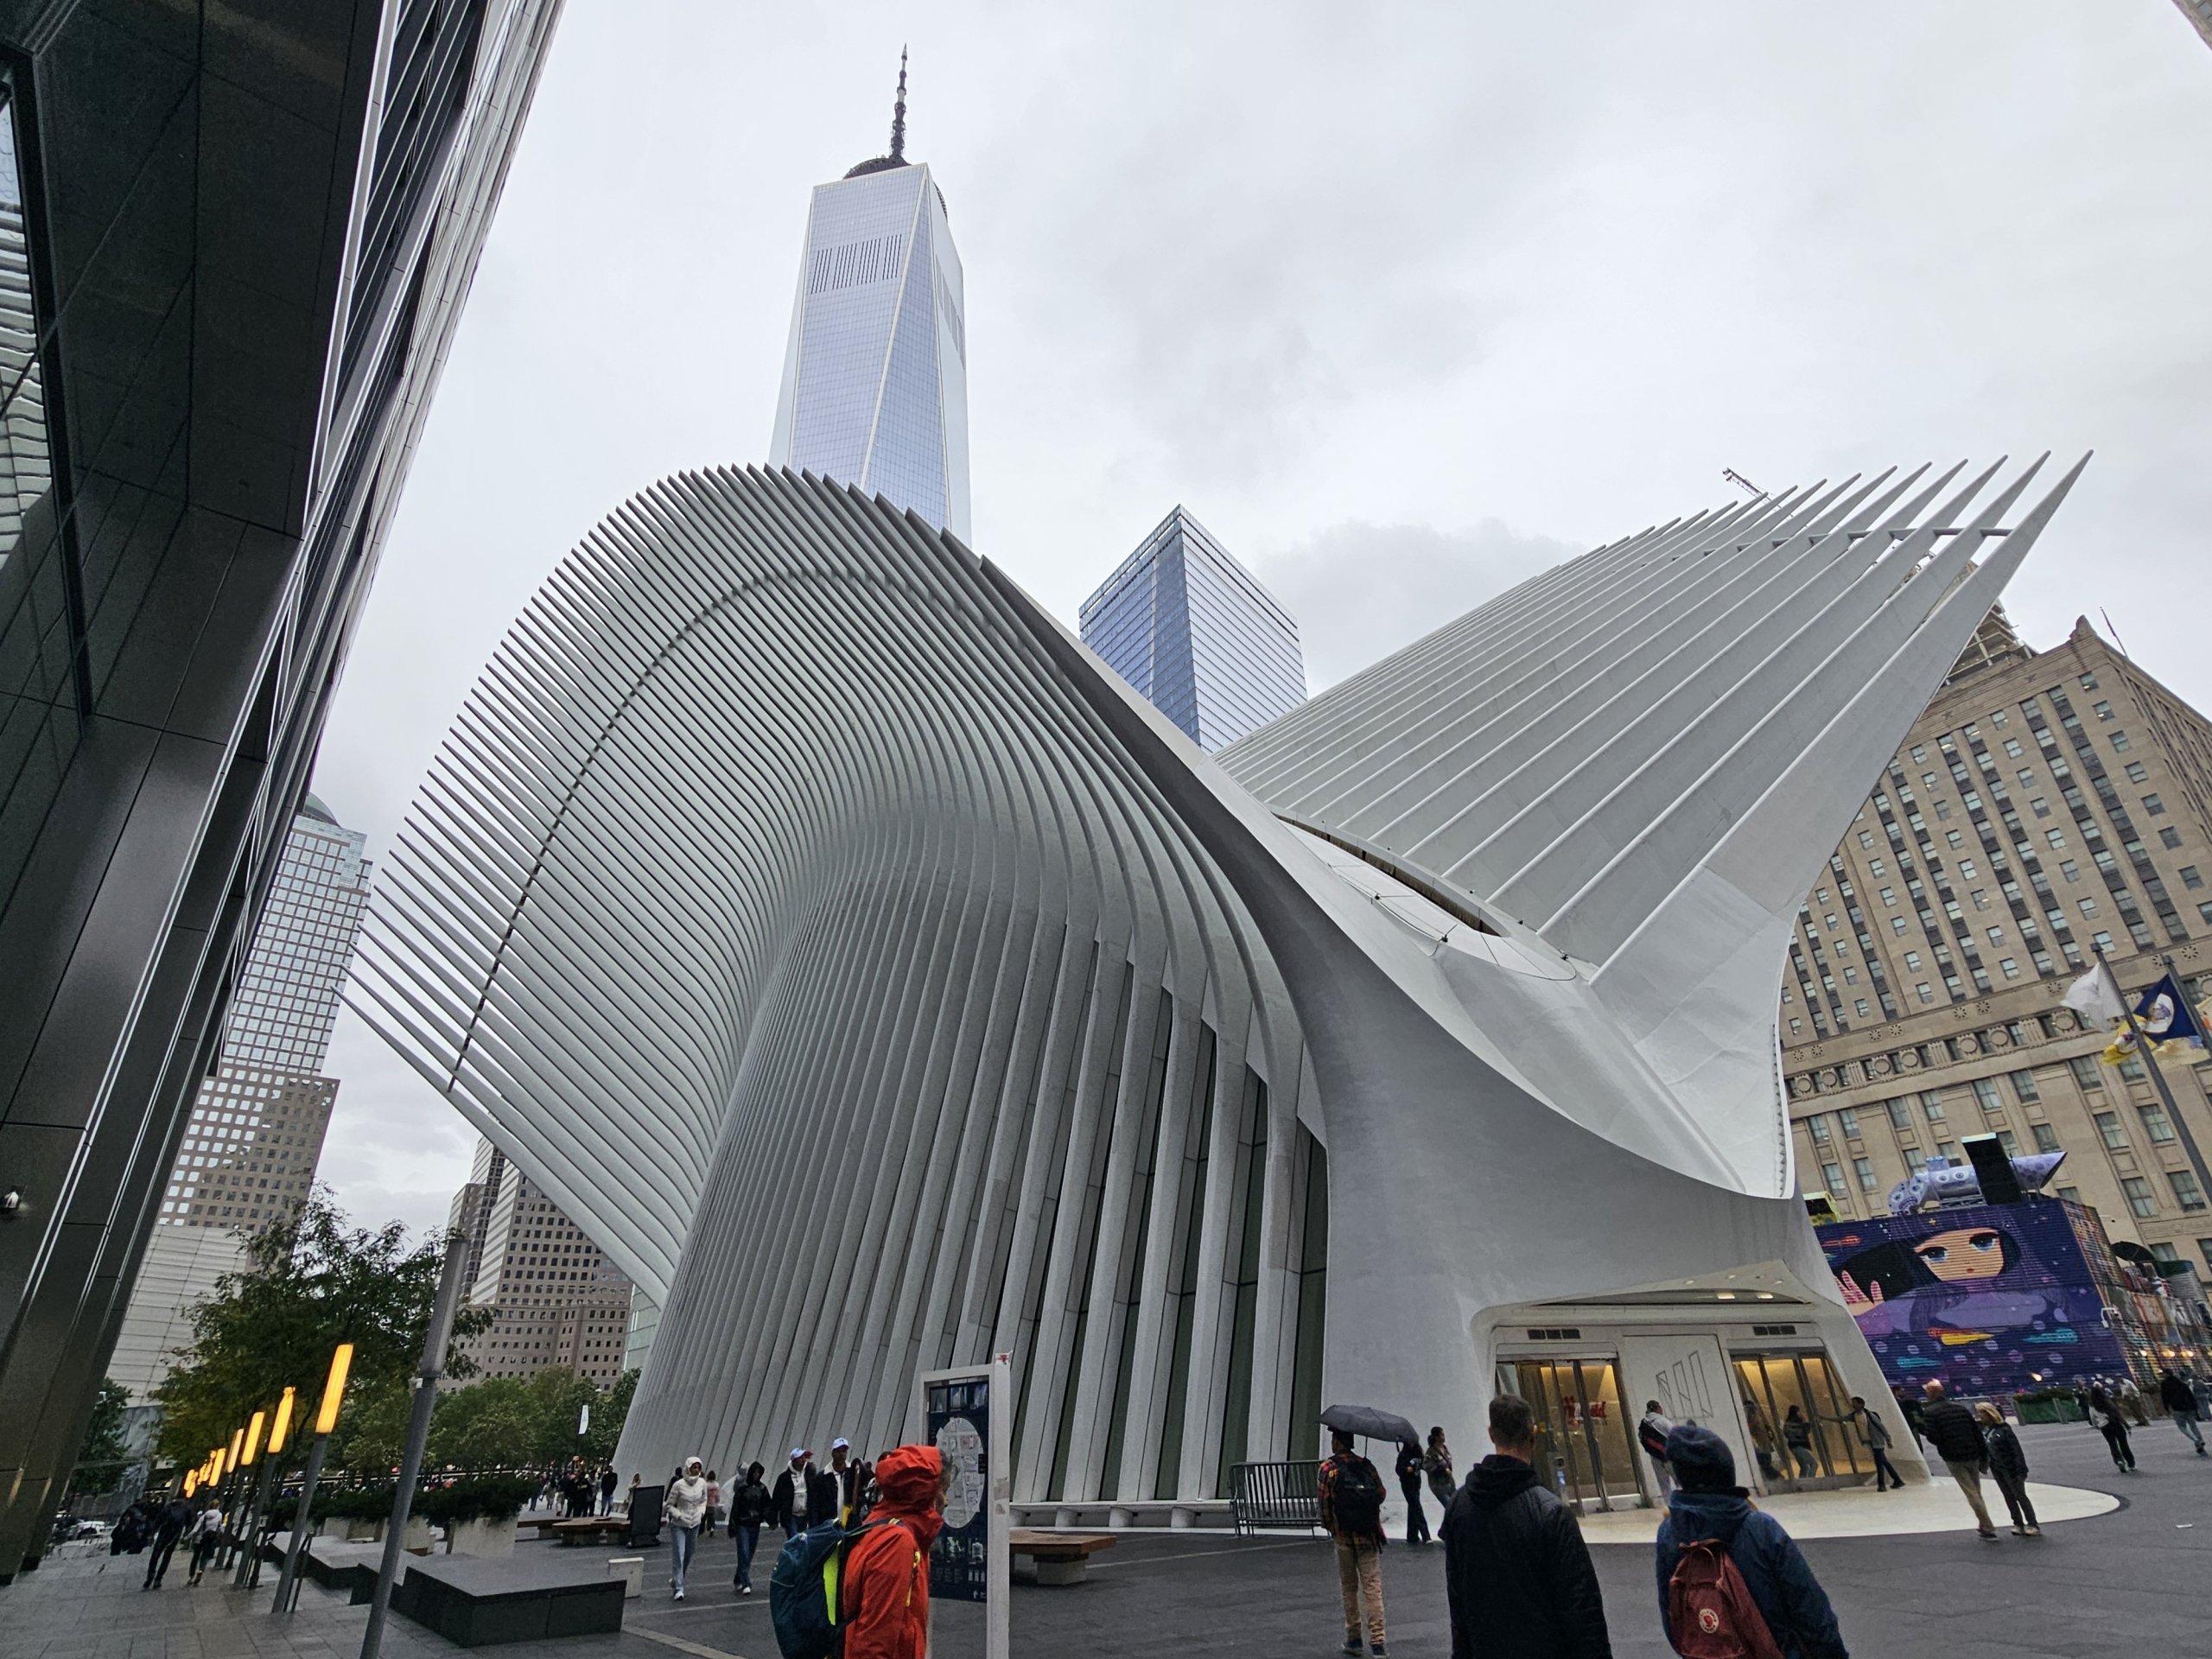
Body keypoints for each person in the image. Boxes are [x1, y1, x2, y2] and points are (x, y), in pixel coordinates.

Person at [1440, 1393, 1611, 1659]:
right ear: (1533, 1434)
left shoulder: (1459, 1507)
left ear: (1491, 1434)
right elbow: (1581, 1607)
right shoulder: (1550, 1512)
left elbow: (1458, 1600)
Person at [1654, 1426, 1847, 1659]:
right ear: (1727, 1472)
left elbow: (1672, 1617)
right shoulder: (1759, 1527)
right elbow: (1810, 1610)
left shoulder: (1669, 1532)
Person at [838, 1444, 947, 1659]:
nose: (946, 1500)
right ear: (926, 1494)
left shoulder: (879, 1523)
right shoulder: (896, 1542)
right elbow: (874, 1640)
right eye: (944, 1490)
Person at [1317, 1429, 1389, 1657]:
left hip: (1343, 1536)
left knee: (1349, 1587)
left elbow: (1324, 1503)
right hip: (1369, 1535)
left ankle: (1354, 1638)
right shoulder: (1367, 1466)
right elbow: (1381, 1494)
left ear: (1338, 1442)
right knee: (1372, 1587)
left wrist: (1331, 1526)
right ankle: (1378, 1643)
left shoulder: (1328, 1468)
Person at [1919, 1381, 1997, 1539]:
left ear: (1931, 1393)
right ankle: (1983, 1524)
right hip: (1972, 1453)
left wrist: (1925, 1431)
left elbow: (1934, 1438)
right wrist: (1983, 1456)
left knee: (1971, 1492)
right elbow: (1976, 1433)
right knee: (1976, 1490)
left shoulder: (1931, 1412)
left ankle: (1988, 1527)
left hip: (1953, 1456)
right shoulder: (1960, 1408)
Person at [1974, 1403, 2038, 1537]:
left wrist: (2021, 1469)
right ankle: (2018, 1523)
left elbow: (2016, 1450)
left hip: (2011, 1467)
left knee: (2020, 1495)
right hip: (1997, 1468)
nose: (1980, 1416)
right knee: (2008, 1496)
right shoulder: (1983, 1430)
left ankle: (2032, 1523)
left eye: (1982, 1413)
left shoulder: (2004, 1429)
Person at [1832, 1395, 1903, 1492]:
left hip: (1877, 1442)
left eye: (1855, 1403)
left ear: (1861, 1404)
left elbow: (1881, 1427)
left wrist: (1888, 1440)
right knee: (1884, 1462)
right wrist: (1825, 1418)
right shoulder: (1854, 1416)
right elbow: (1841, 1419)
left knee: (1879, 1464)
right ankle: (1897, 1480)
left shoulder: (1870, 1415)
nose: (1853, 1405)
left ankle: (1882, 1485)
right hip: (1871, 1442)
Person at [664, 1457, 709, 1600]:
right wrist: (678, 1515)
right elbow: (669, 1505)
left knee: (689, 1554)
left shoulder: (702, 1483)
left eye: (698, 1467)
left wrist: (701, 1512)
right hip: (679, 1525)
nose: (696, 1470)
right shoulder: (678, 1485)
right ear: (688, 1468)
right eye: (694, 1467)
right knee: (679, 1555)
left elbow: (704, 1500)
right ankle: (679, 1588)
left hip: (694, 1523)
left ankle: (677, 1578)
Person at [729, 1461, 772, 1596]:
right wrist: (733, 1525)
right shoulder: (743, 1488)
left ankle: (739, 1577)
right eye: (755, 1472)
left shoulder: (762, 1489)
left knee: (749, 1553)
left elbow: (767, 1506)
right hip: (743, 1523)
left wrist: (770, 1519)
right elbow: (735, 1507)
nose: (756, 1475)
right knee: (744, 1551)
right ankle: (746, 1582)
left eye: (758, 1473)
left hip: (755, 1524)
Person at [2086, 1383, 2136, 1472]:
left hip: (2104, 1426)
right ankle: (2131, 1463)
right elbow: (2117, 1413)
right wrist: (2126, 1425)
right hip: (2115, 1423)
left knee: (2112, 1444)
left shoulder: (2092, 1405)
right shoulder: (2107, 1401)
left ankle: (2119, 1460)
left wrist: (2096, 1425)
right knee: (2124, 1444)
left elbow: (2092, 1417)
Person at [142, 1498, 190, 1590]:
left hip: (163, 1534)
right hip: (174, 1536)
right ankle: (158, 1579)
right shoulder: (186, 1510)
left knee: (155, 1556)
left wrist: (152, 1534)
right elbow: (189, 1523)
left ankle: (150, 1577)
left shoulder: (168, 1508)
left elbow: (158, 1522)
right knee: (167, 1557)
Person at [2158, 1369, 2206, 1456]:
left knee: (2182, 1427)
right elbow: (2189, 1394)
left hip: (2177, 1408)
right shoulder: (2181, 1383)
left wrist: (2167, 1408)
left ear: (2166, 1374)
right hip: (2188, 1407)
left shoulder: (2165, 1384)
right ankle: (2200, 1440)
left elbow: (2164, 1397)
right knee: (2193, 1425)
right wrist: (2194, 1406)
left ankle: (2196, 1440)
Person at [1395, 1438, 1432, 1546]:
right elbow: (1398, 1469)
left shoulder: (1418, 1454)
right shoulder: (1403, 1455)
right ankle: (1426, 1535)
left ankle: (1412, 1535)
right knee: (1417, 1507)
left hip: (1416, 1484)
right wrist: (1406, 1469)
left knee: (1413, 1508)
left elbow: (1424, 1465)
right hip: (1407, 1484)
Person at [773, 1447, 818, 1536]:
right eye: (800, 1458)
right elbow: (777, 1498)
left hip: (805, 1516)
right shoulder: (784, 1478)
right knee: (794, 1539)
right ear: (794, 1461)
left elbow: (815, 1494)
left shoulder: (809, 1475)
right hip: (791, 1517)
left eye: (804, 1457)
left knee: (803, 1539)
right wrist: (773, 1518)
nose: (803, 1460)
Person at [1636, 1402, 1675, 1502]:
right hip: (1670, 1457)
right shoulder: (1663, 1421)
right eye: (1660, 1407)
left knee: (1664, 1485)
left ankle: (1669, 1505)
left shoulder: (1644, 1423)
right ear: (1657, 1409)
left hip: (1655, 1457)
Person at [830, 1438, 873, 1525]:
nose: (841, 1454)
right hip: (829, 1522)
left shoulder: (852, 1473)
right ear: (833, 1453)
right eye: (838, 1451)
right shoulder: (823, 1476)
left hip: (848, 1521)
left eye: (844, 1451)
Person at [185, 1501, 223, 1586]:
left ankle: (191, 1577)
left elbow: (195, 1529)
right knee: (204, 1557)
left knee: (195, 1557)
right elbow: (220, 1527)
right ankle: (200, 1571)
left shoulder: (204, 1516)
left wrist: (187, 1537)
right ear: (218, 1506)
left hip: (200, 1539)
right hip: (209, 1539)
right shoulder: (220, 1515)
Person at [1424, 1425, 1457, 1512]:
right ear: (1436, 1437)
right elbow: (1427, 1466)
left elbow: (1448, 1462)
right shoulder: (1431, 1452)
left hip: (1449, 1483)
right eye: (1442, 1435)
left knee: (1456, 1507)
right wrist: (1441, 1469)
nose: (1444, 1437)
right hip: (1438, 1485)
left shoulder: (1445, 1449)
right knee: (1450, 1508)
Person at [1782, 1406, 1818, 1481]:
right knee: (1813, 1464)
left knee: (1804, 1466)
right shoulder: (1797, 1421)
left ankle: (1802, 1481)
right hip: (1798, 1445)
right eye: (1799, 1411)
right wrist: (1806, 1421)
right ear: (1797, 1412)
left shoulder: (1789, 1421)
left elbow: (1787, 1433)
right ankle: (1810, 1481)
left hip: (1793, 1445)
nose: (1801, 1413)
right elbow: (1806, 1431)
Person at [702, 1469, 721, 1539]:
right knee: (712, 1517)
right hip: (713, 1503)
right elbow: (717, 1495)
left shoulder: (706, 1485)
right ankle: (712, 1528)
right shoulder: (716, 1485)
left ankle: (702, 1529)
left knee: (705, 1517)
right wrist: (717, 1500)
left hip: (706, 1503)